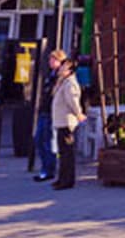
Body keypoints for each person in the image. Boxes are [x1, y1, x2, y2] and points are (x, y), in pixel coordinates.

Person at [51, 53, 86, 190]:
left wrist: (79, 114)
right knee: (62, 152)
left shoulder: (70, 83)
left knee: (67, 153)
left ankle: (67, 180)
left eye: (64, 67)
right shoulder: (63, 81)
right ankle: (61, 178)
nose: (60, 69)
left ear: (70, 70)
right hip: (61, 121)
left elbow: (73, 101)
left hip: (67, 122)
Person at [32, 49, 62, 182]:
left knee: (48, 141)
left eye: (53, 60)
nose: (50, 62)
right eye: (50, 59)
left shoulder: (60, 77)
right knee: (39, 139)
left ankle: (49, 169)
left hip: (52, 113)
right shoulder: (50, 75)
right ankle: (45, 167)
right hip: (44, 111)